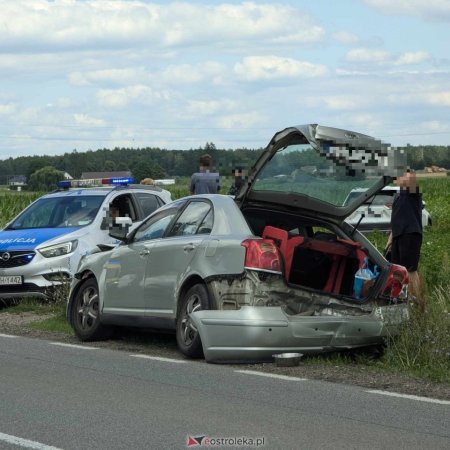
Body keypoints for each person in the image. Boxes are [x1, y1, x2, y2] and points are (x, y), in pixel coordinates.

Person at [385, 169, 423, 306]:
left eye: (403, 174)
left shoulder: (413, 191)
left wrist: (404, 171)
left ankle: (416, 300)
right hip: (398, 235)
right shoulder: (398, 195)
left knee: (410, 269)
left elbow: (410, 180)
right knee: (396, 269)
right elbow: (396, 217)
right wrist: (391, 237)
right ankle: (399, 299)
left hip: (410, 234)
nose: (400, 177)